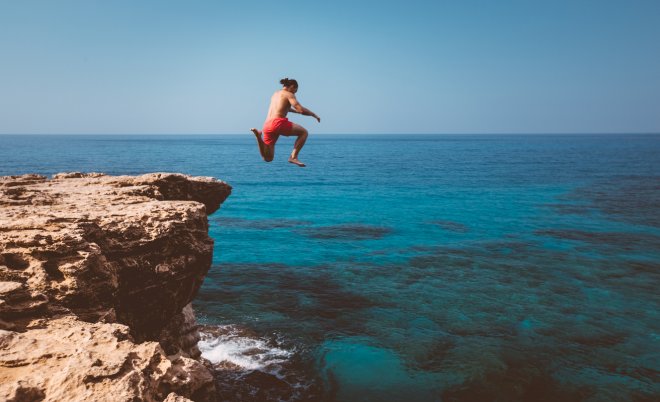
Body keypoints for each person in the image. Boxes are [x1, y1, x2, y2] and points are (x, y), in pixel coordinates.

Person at [251, 78, 320, 167]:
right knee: (304, 132)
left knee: (268, 158)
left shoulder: (275, 94)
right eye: (295, 90)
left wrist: (296, 111)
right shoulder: (289, 94)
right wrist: (313, 114)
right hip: (277, 123)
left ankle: (258, 137)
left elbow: (282, 108)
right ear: (292, 87)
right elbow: (301, 109)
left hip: (267, 124)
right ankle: (293, 157)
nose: (295, 93)